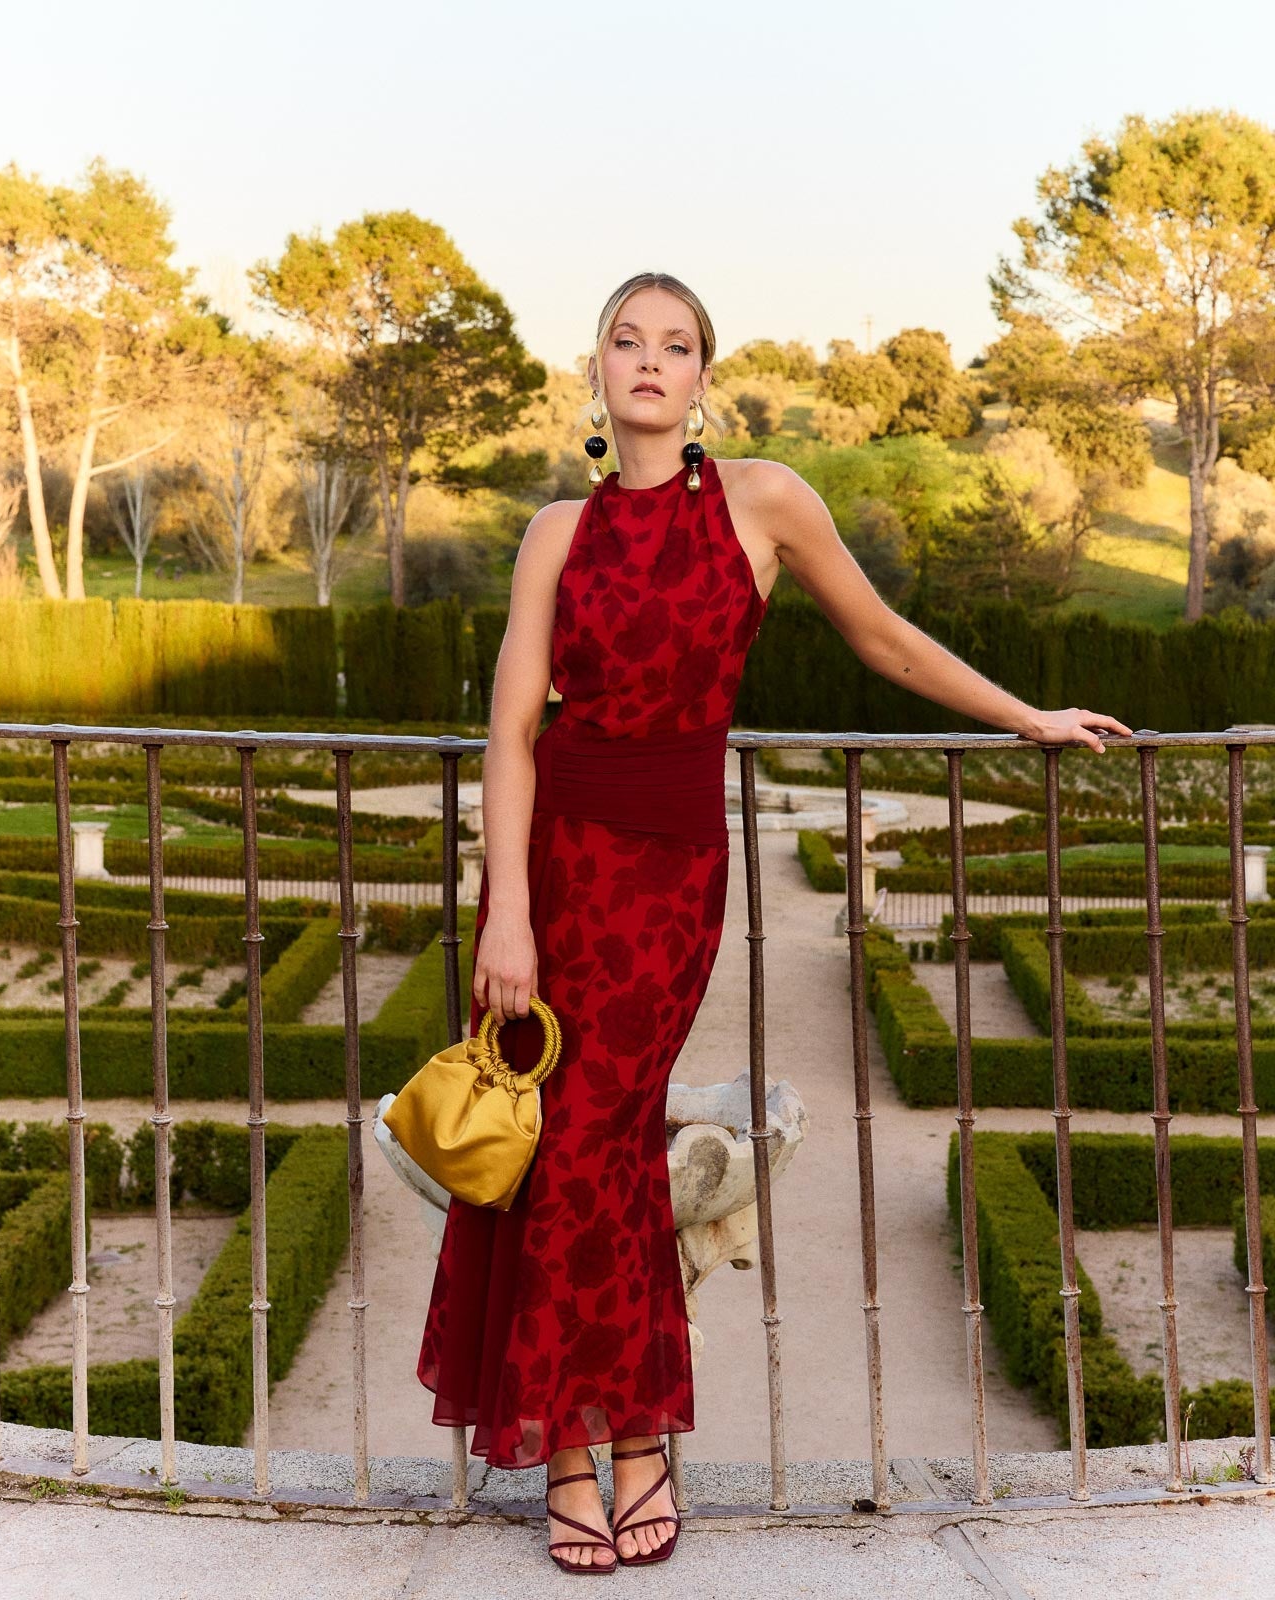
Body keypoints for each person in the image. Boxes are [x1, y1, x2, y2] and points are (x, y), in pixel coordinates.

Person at [417, 270, 1133, 1572]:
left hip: (672, 878)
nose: (648, 362)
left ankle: (620, 1439)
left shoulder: (765, 501)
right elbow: (512, 732)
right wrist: (505, 916)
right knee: (563, 1154)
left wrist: (1024, 716)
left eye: (675, 345)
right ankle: (592, 1448)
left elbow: (888, 642)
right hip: (554, 869)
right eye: (626, 341)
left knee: (607, 1142)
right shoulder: (551, 538)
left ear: (703, 378)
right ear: (595, 371)